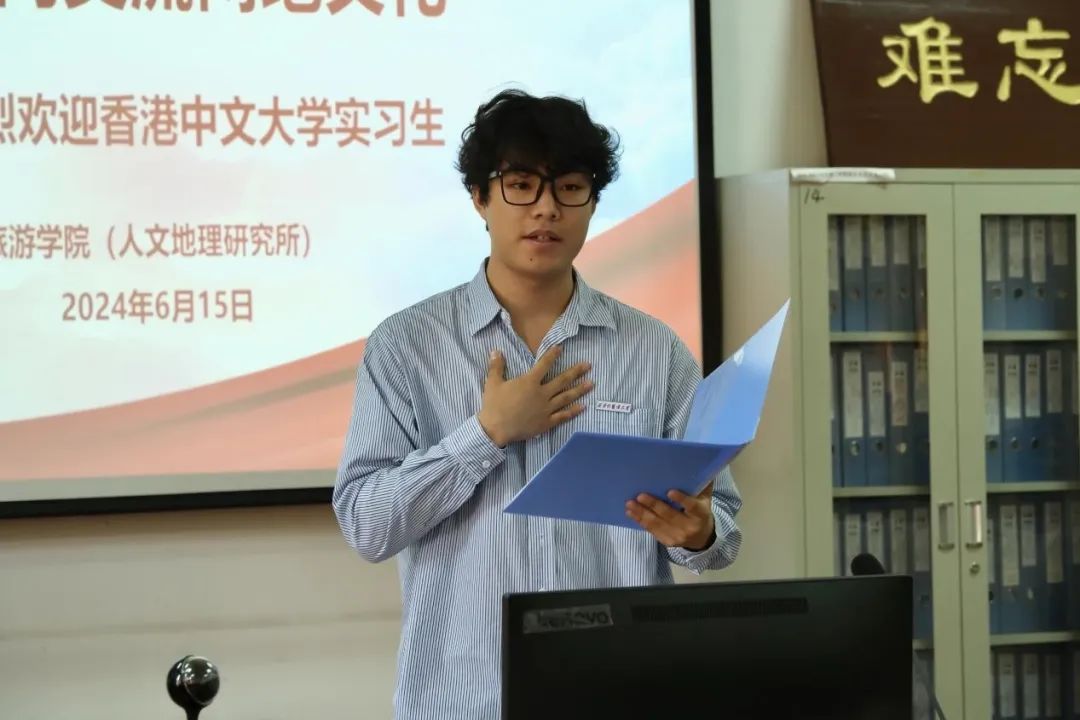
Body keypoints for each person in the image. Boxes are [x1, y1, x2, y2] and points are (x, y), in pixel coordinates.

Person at [332, 89, 743, 720]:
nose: (547, 208)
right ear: (480, 197)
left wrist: (700, 533)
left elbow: (721, 529)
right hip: (464, 700)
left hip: (620, 694)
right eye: (522, 185)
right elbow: (366, 525)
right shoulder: (406, 345)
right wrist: (486, 433)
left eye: (570, 188)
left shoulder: (655, 349)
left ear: (593, 202)